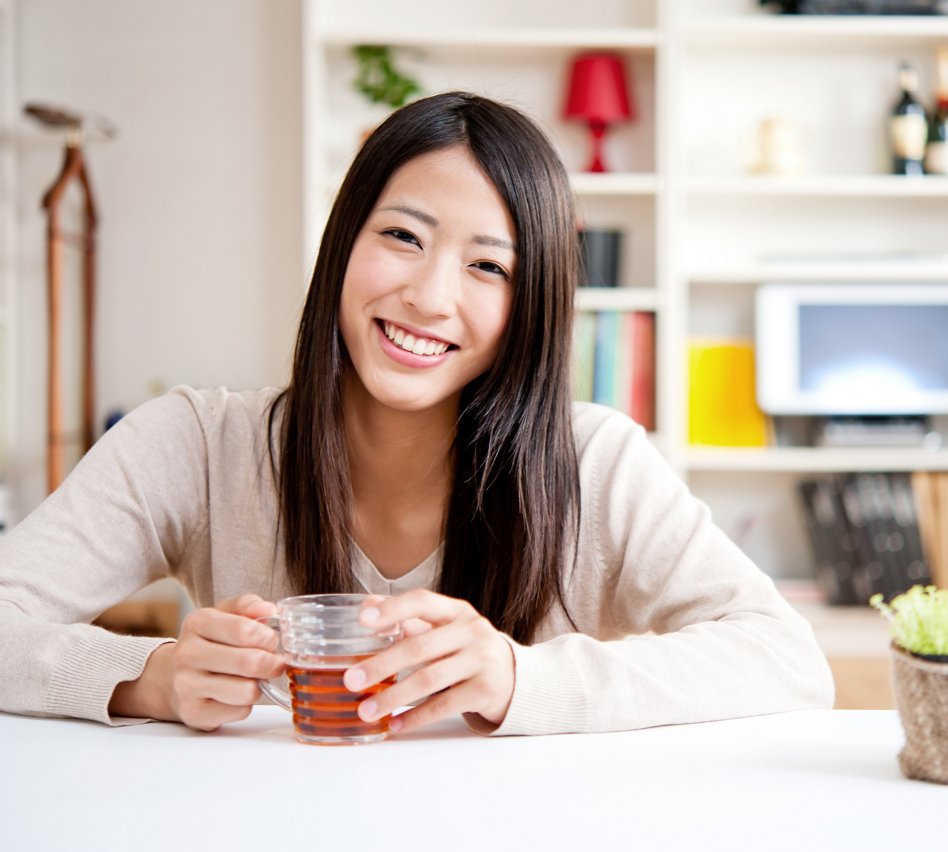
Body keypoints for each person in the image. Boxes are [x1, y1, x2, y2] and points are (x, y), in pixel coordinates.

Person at [0, 91, 834, 736]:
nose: (430, 297)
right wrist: (148, 676)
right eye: (402, 236)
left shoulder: (594, 464)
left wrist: (517, 679)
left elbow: (787, 661)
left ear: (532, 307)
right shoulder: (196, 443)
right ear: (342, 244)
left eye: (488, 267)